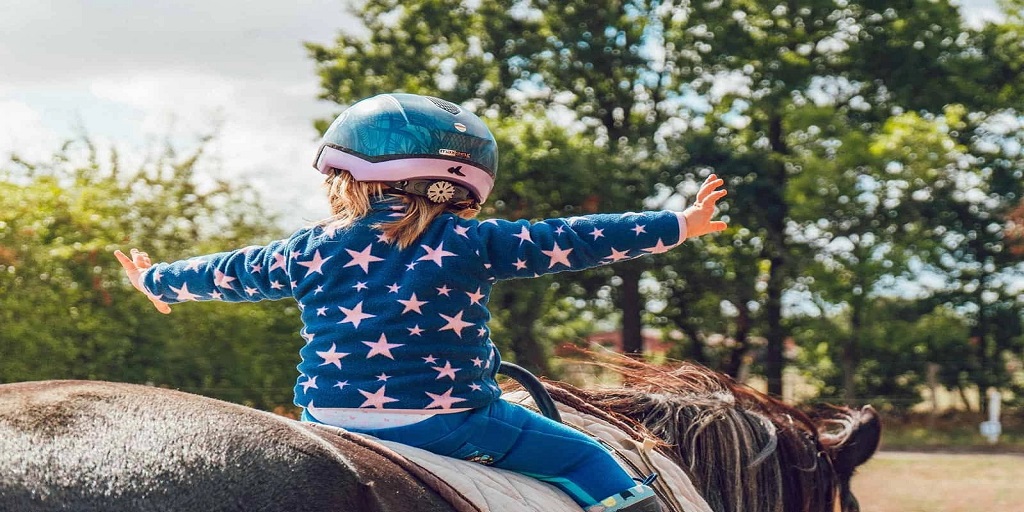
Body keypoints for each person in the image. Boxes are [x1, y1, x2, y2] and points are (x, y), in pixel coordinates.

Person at [115, 92, 727, 512]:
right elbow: (573, 240)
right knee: (592, 461)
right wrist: (680, 223)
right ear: (462, 184)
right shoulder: (474, 241)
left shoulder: (309, 248)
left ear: (345, 179)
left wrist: (159, 282)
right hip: (449, 421)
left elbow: (232, 271)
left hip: (328, 419)